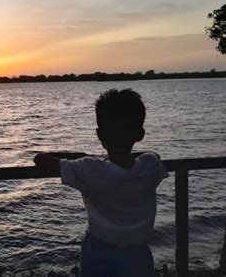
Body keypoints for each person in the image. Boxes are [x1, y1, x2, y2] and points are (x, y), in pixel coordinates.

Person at [34, 88, 168, 277]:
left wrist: (84, 157)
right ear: (140, 134)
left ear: (100, 135)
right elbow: (154, 154)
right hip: (138, 254)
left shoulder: (89, 169)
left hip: (99, 253)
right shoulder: (150, 166)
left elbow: (40, 159)